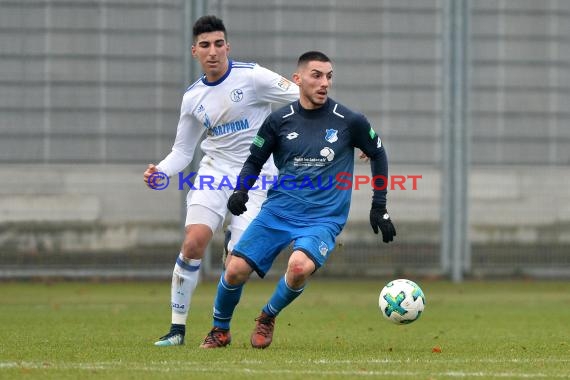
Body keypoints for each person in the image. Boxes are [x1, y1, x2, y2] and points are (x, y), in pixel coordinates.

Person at [199, 51, 396, 349]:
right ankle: (220, 330)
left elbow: (378, 152)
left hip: (322, 218)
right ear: (298, 79)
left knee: (299, 267)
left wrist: (379, 205)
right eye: (316, 75)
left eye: (329, 76)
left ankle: (267, 316)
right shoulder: (278, 121)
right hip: (278, 211)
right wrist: (241, 190)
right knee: (235, 269)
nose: (324, 82)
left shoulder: (349, 121)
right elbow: (254, 160)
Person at [144, 15, 299, 347]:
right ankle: (176, 330)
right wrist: (161, 171)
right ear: (194, 52)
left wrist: (346, 134)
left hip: (256, 179)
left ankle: (220, 329)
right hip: (214, 173)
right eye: (205, 46)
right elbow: (183, 151)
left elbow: (303, 97)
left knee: (235, 268)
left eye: (218, 44)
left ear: (227, 46)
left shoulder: (254, 77)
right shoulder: (193, 98)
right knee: (193, 242)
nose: (212, 51)